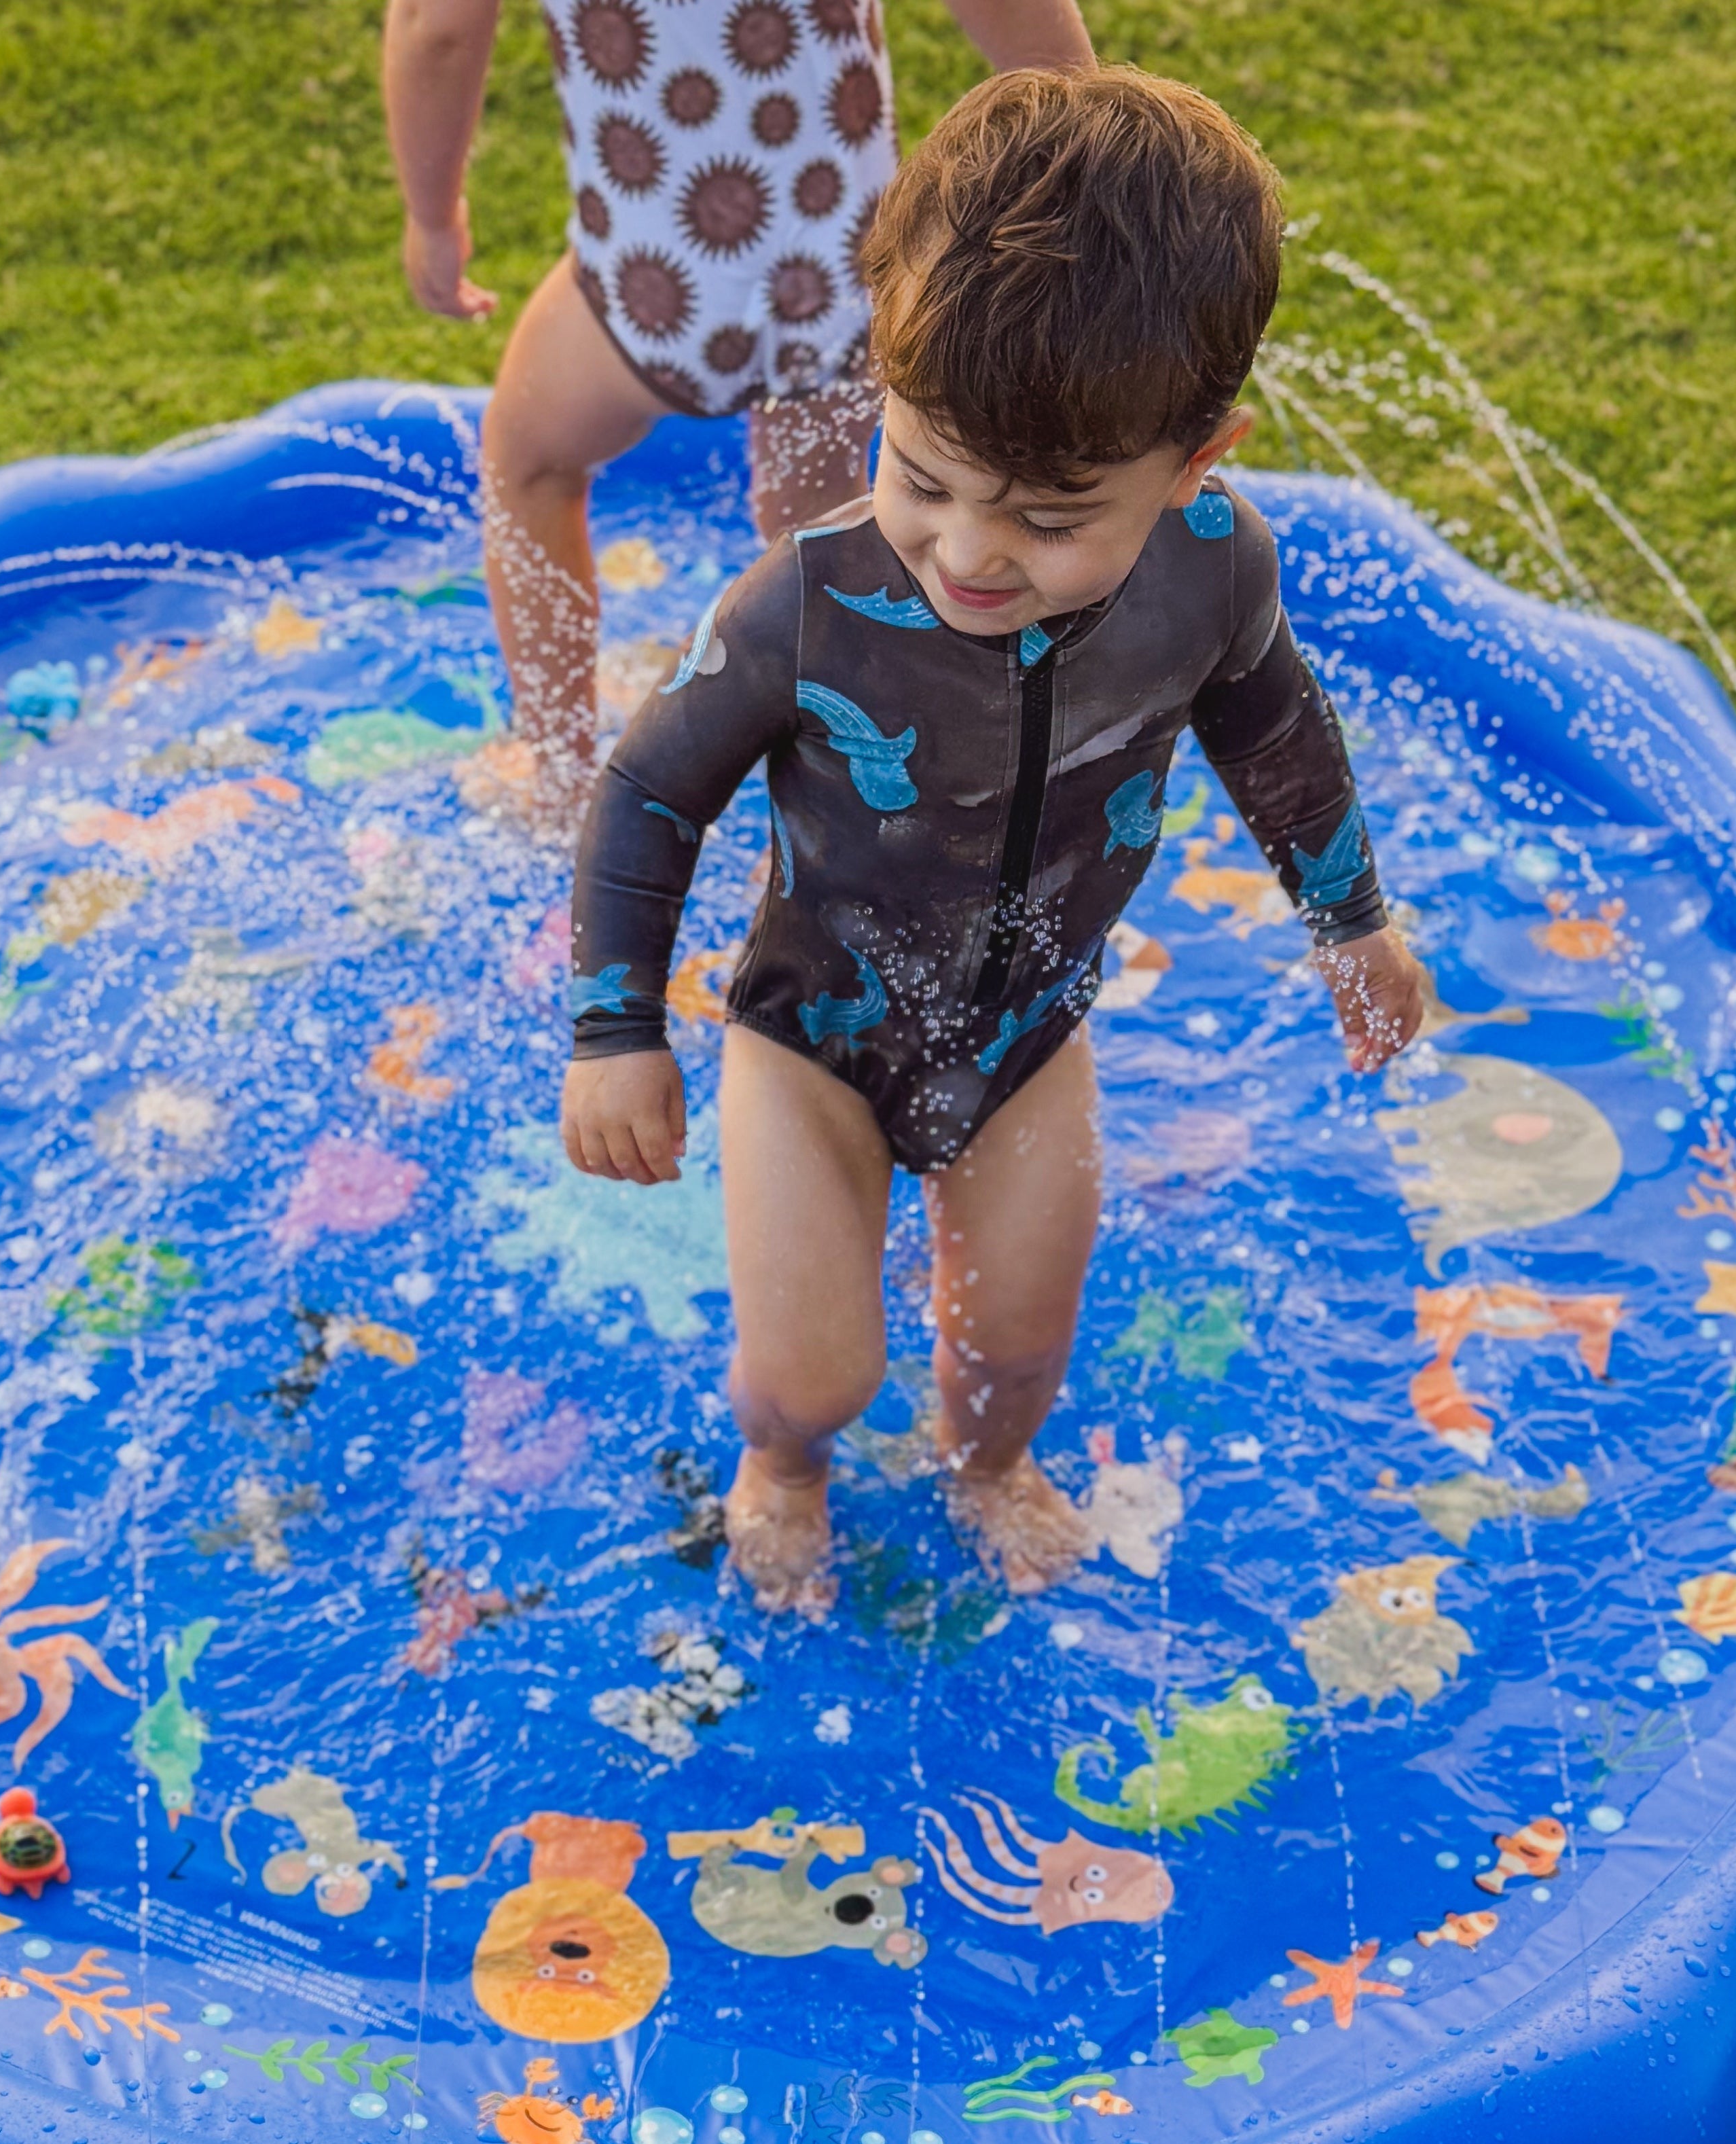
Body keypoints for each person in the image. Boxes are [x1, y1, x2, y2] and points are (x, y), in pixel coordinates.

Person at [560, 66, 1425, 1615]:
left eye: (1045, 518)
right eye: (924, 476)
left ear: (1198, 457)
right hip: (813, 1041)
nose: (968, 550)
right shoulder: (808, 603)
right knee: (813, 1372)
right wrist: (616, 1025)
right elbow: (646, 790)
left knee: (1019, 1343)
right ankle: (784, 1468)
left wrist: (1348, 919)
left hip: (1027, 1034)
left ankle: (990, 1466)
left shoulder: (1213, 574)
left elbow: (1270, 729)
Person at [382, 0, 1096, 840]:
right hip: (846, 256)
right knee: (820, 533)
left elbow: (439, 29)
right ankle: (834, 815)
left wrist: (432, 214)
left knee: (530, 460)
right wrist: (1087, 153)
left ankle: (562, 781)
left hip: (664, 276)